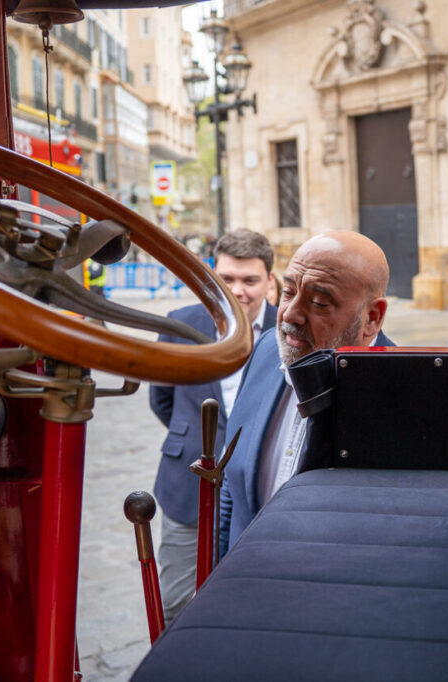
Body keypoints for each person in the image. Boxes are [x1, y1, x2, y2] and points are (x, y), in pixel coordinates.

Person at [218, 231, 393, 556]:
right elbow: (232, 484)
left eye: (318, 303)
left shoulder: (400, 394)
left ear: (372, 317)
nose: (290, 315)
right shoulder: (266, 351)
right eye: (288, 292)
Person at [148, 228, 276, 622]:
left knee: (254, 601)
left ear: (270, 281)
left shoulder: (288, 329)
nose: (238, 291)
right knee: (175, 603)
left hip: (263, 491)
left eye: (250, 280)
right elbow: (162, 399)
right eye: (227, 279)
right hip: (188, 485)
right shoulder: (180, 324)